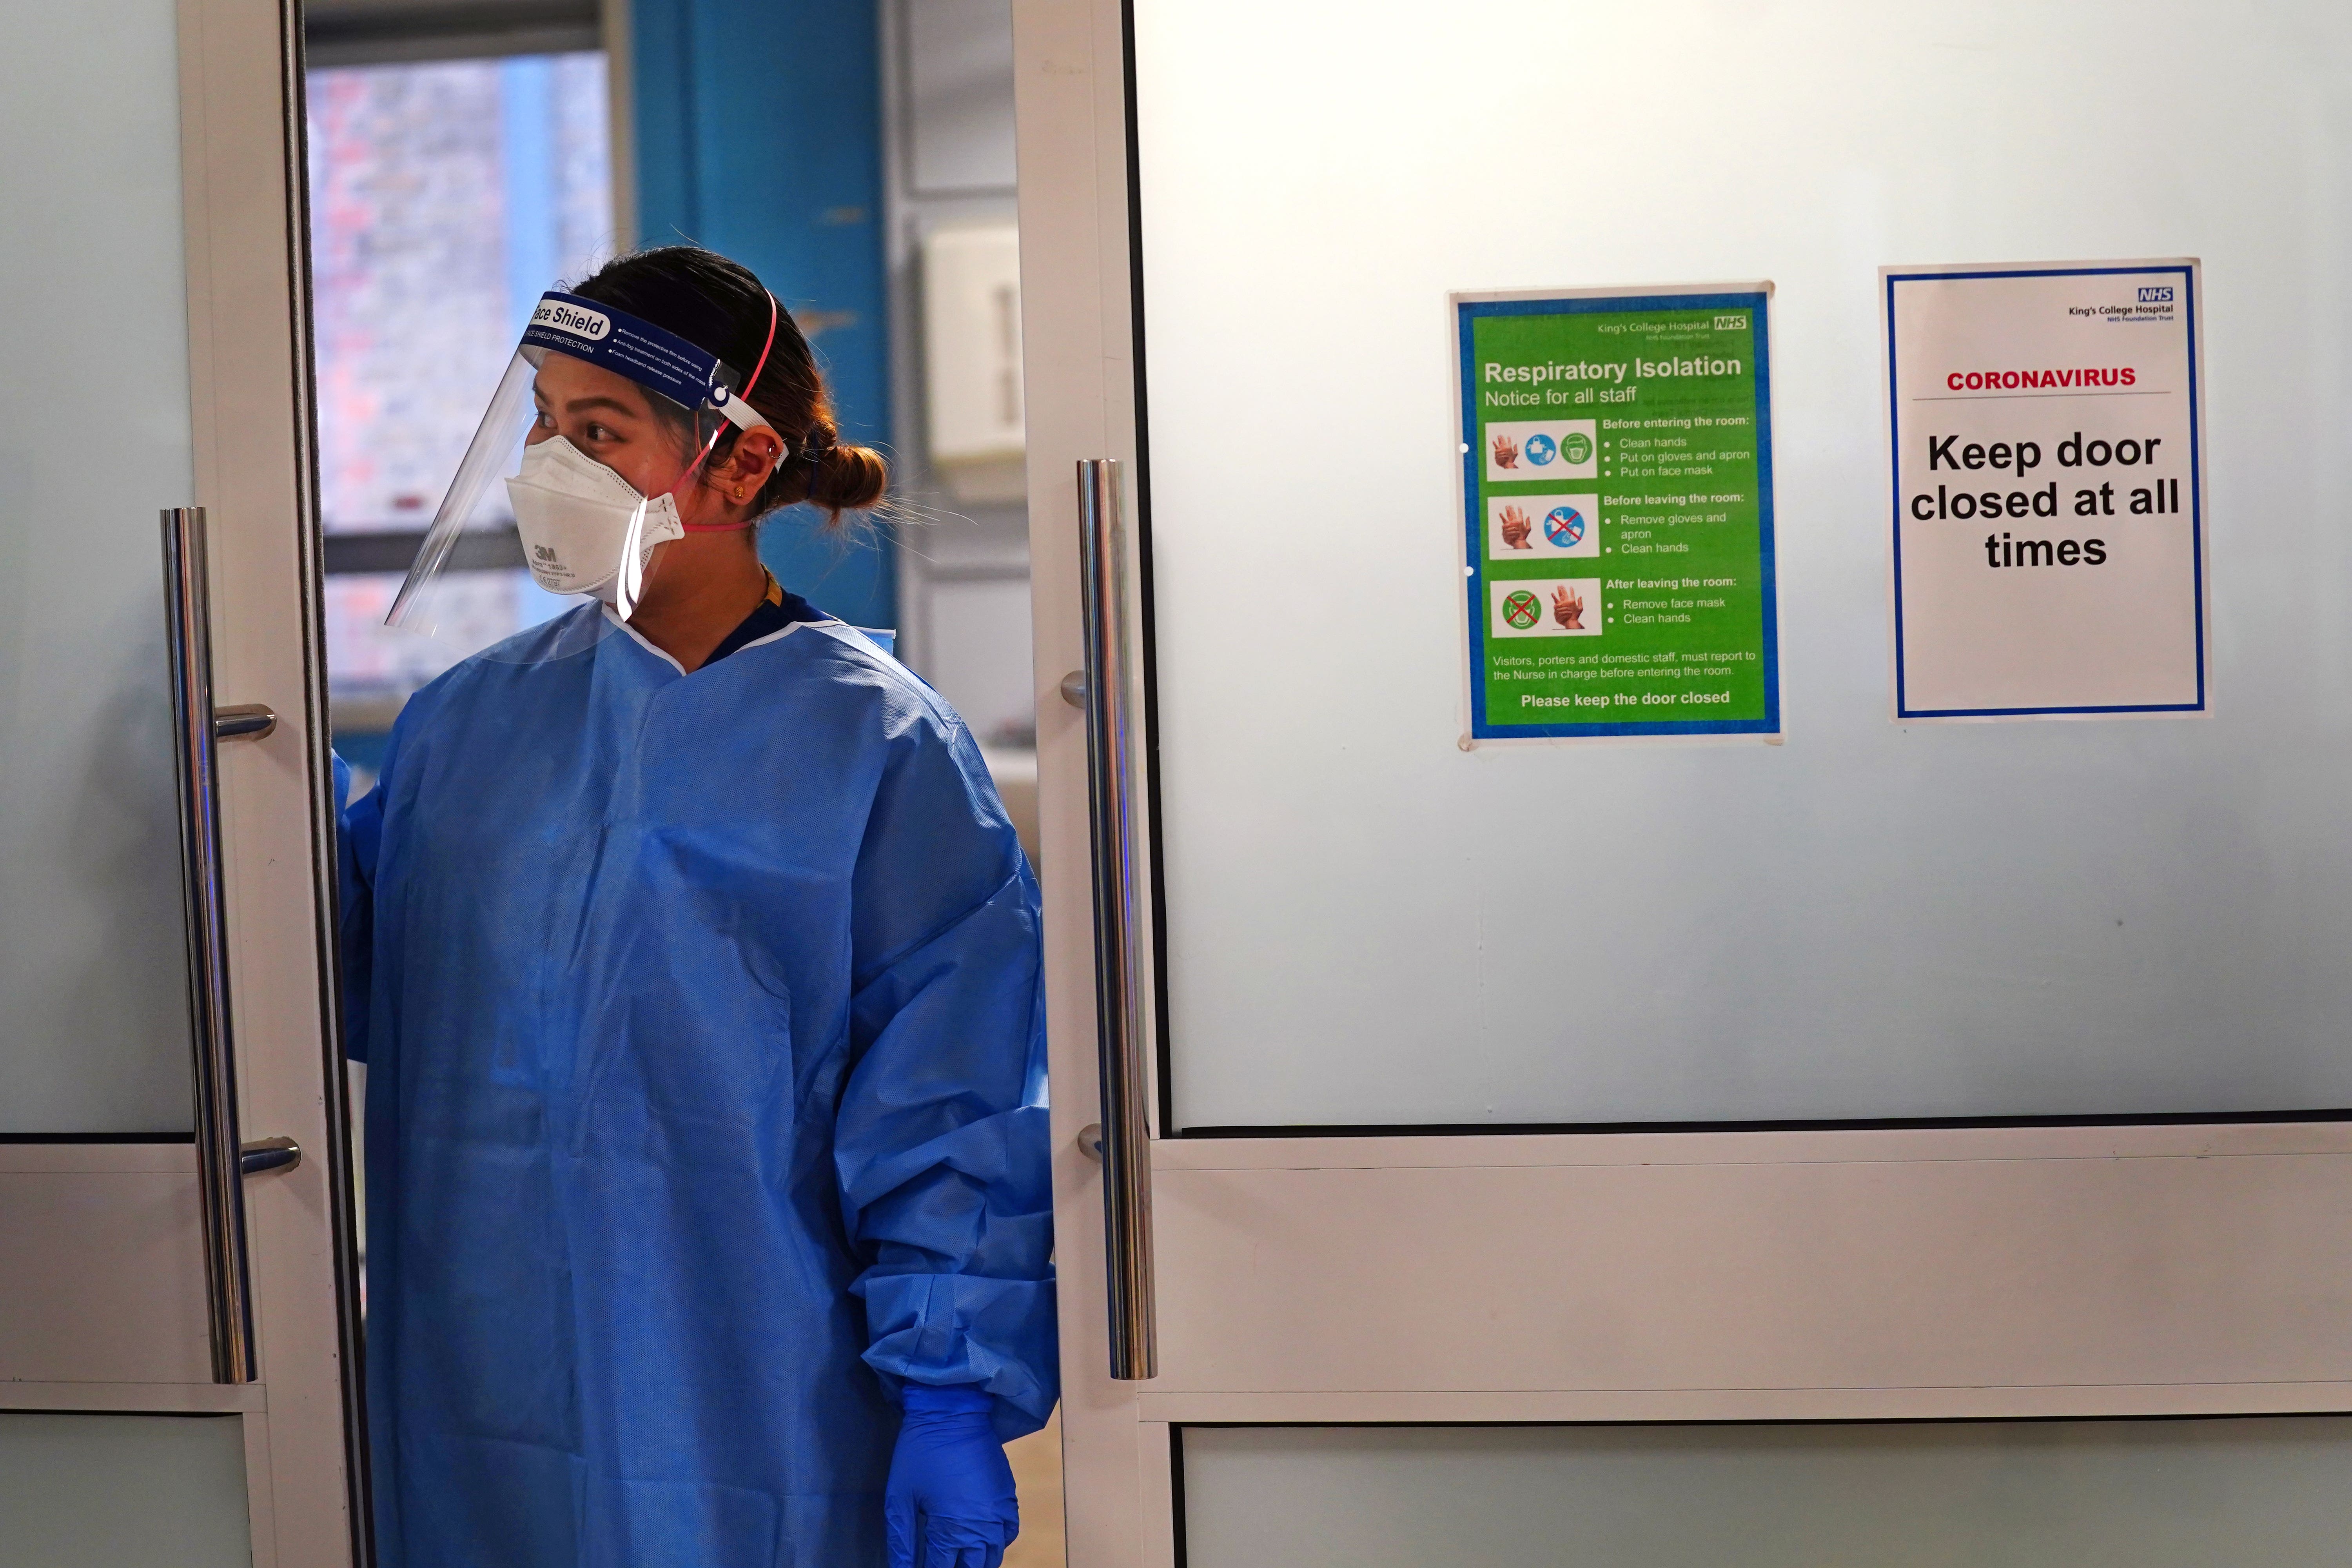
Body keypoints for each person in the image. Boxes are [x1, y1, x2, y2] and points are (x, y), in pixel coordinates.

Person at [338, 245, 1054, 1568]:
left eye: (599, 431)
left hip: (746, 1405)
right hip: (473, 1397)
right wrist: (247, 806)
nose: (550, 465)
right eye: (545, 422)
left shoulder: (875, 751)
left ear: (732, 465)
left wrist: (950, 1391)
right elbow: (360, 976)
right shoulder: (466, 727)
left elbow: (950, 1114)